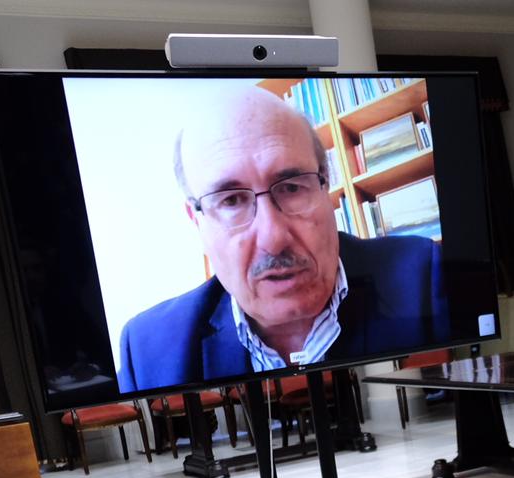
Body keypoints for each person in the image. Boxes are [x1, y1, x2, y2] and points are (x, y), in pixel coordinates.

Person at [117, 86, 448, 394]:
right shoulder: (149, 354)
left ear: (325, 185)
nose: (273, 238)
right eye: (231, 201)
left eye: (291, 188)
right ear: (196, 220)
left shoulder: (427, 278)